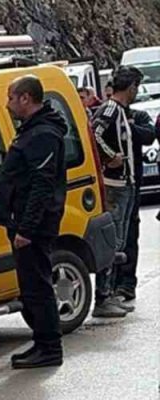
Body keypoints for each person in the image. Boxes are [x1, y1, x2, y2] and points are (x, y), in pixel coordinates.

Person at [0, 75, 68, 369]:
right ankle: (41, 342)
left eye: (11, 97)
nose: (8, 104)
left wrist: (26, 228)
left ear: (26, 98)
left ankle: (50, 348)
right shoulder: (32, 131)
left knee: (38, 287)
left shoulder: (43, 135)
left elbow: (42, 184)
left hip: (34, 227)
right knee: (31, 287)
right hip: (25, 223)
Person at [90, 66, 143, 319]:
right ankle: (103, 296)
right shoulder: (111, 109)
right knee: (112, 243)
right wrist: (110, 157)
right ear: (130, 86)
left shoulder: (120, 111)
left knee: (119, 242)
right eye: (136, 87)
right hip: (116, 186)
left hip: (126, 184)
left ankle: (108, 294)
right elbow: (94, 133)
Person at [114, 104, 157, 311]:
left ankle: (127, 284)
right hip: (114, 184)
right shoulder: (108, 114)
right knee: (117, 235)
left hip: (134, 182)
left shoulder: (138, 115)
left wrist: (129, 127)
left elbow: (150, 135)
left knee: (131, 232)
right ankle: (112, 285)